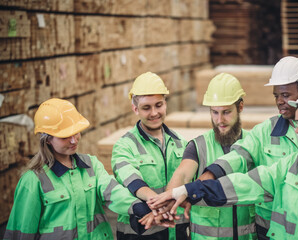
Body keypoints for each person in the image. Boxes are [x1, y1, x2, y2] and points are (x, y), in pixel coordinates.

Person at [149, 84, 298, 239]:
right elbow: (243, 183)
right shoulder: (291, 164)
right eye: (296, 123)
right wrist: (189, 190)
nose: (296, 130)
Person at [198, 56, 298, 239]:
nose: (280, 101)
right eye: (276, 95)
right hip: (270, 230)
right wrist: (209, 175)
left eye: (286, 95)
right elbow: (240, 155)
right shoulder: (266, 130)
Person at [4, 98, 151, 240]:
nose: (74, 140)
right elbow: (21, 231)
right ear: (47, 139)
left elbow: (113, 192)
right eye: (65, 137)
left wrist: (138, 207)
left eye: (76, 132)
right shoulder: (33, 180)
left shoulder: (91, 164)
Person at [145, 73, 257, 239]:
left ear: (240, 107)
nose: (220, 120)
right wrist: (165, 204)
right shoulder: (198, 146)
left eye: (226, 112)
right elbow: (182, 175)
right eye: (214, 112)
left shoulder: (254, 144)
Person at [111, 72, 189, 240]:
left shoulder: (181, 143)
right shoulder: (125, 145)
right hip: (141, 232)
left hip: (177, 231)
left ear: (165, 104)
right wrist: (159, 205)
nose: (154, 113)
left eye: (158, 105)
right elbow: (132, 180)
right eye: (146, 107)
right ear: (135, 109)